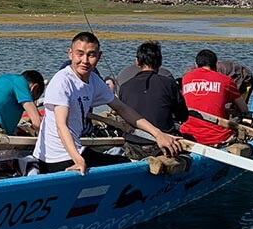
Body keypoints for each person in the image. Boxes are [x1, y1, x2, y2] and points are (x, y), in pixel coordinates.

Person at [31, 32, 180, 174]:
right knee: (126, 168)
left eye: (91, 55)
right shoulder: (62, 81)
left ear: (99, 56)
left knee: (124, 164)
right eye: (80, 54)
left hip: (74, 151)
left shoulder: (94, 80)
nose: (85, 60)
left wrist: (158, 133)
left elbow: (122, 108)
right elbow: (61, 125)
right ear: (70, 54)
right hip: (55, 157)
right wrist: (78, 160)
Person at [116, 41, 187, 157]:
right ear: (160, 62)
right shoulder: (169, 84)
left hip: (133, 145)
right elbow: (183, 116)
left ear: (137, 62)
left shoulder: (125, 86)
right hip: (162, 145)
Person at [179, 49, 250, 148]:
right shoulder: (226, 80)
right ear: (215, 65)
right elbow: (244, 109)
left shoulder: (185, 78)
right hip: (218, 137)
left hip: (187, 134)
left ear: (196, 64)